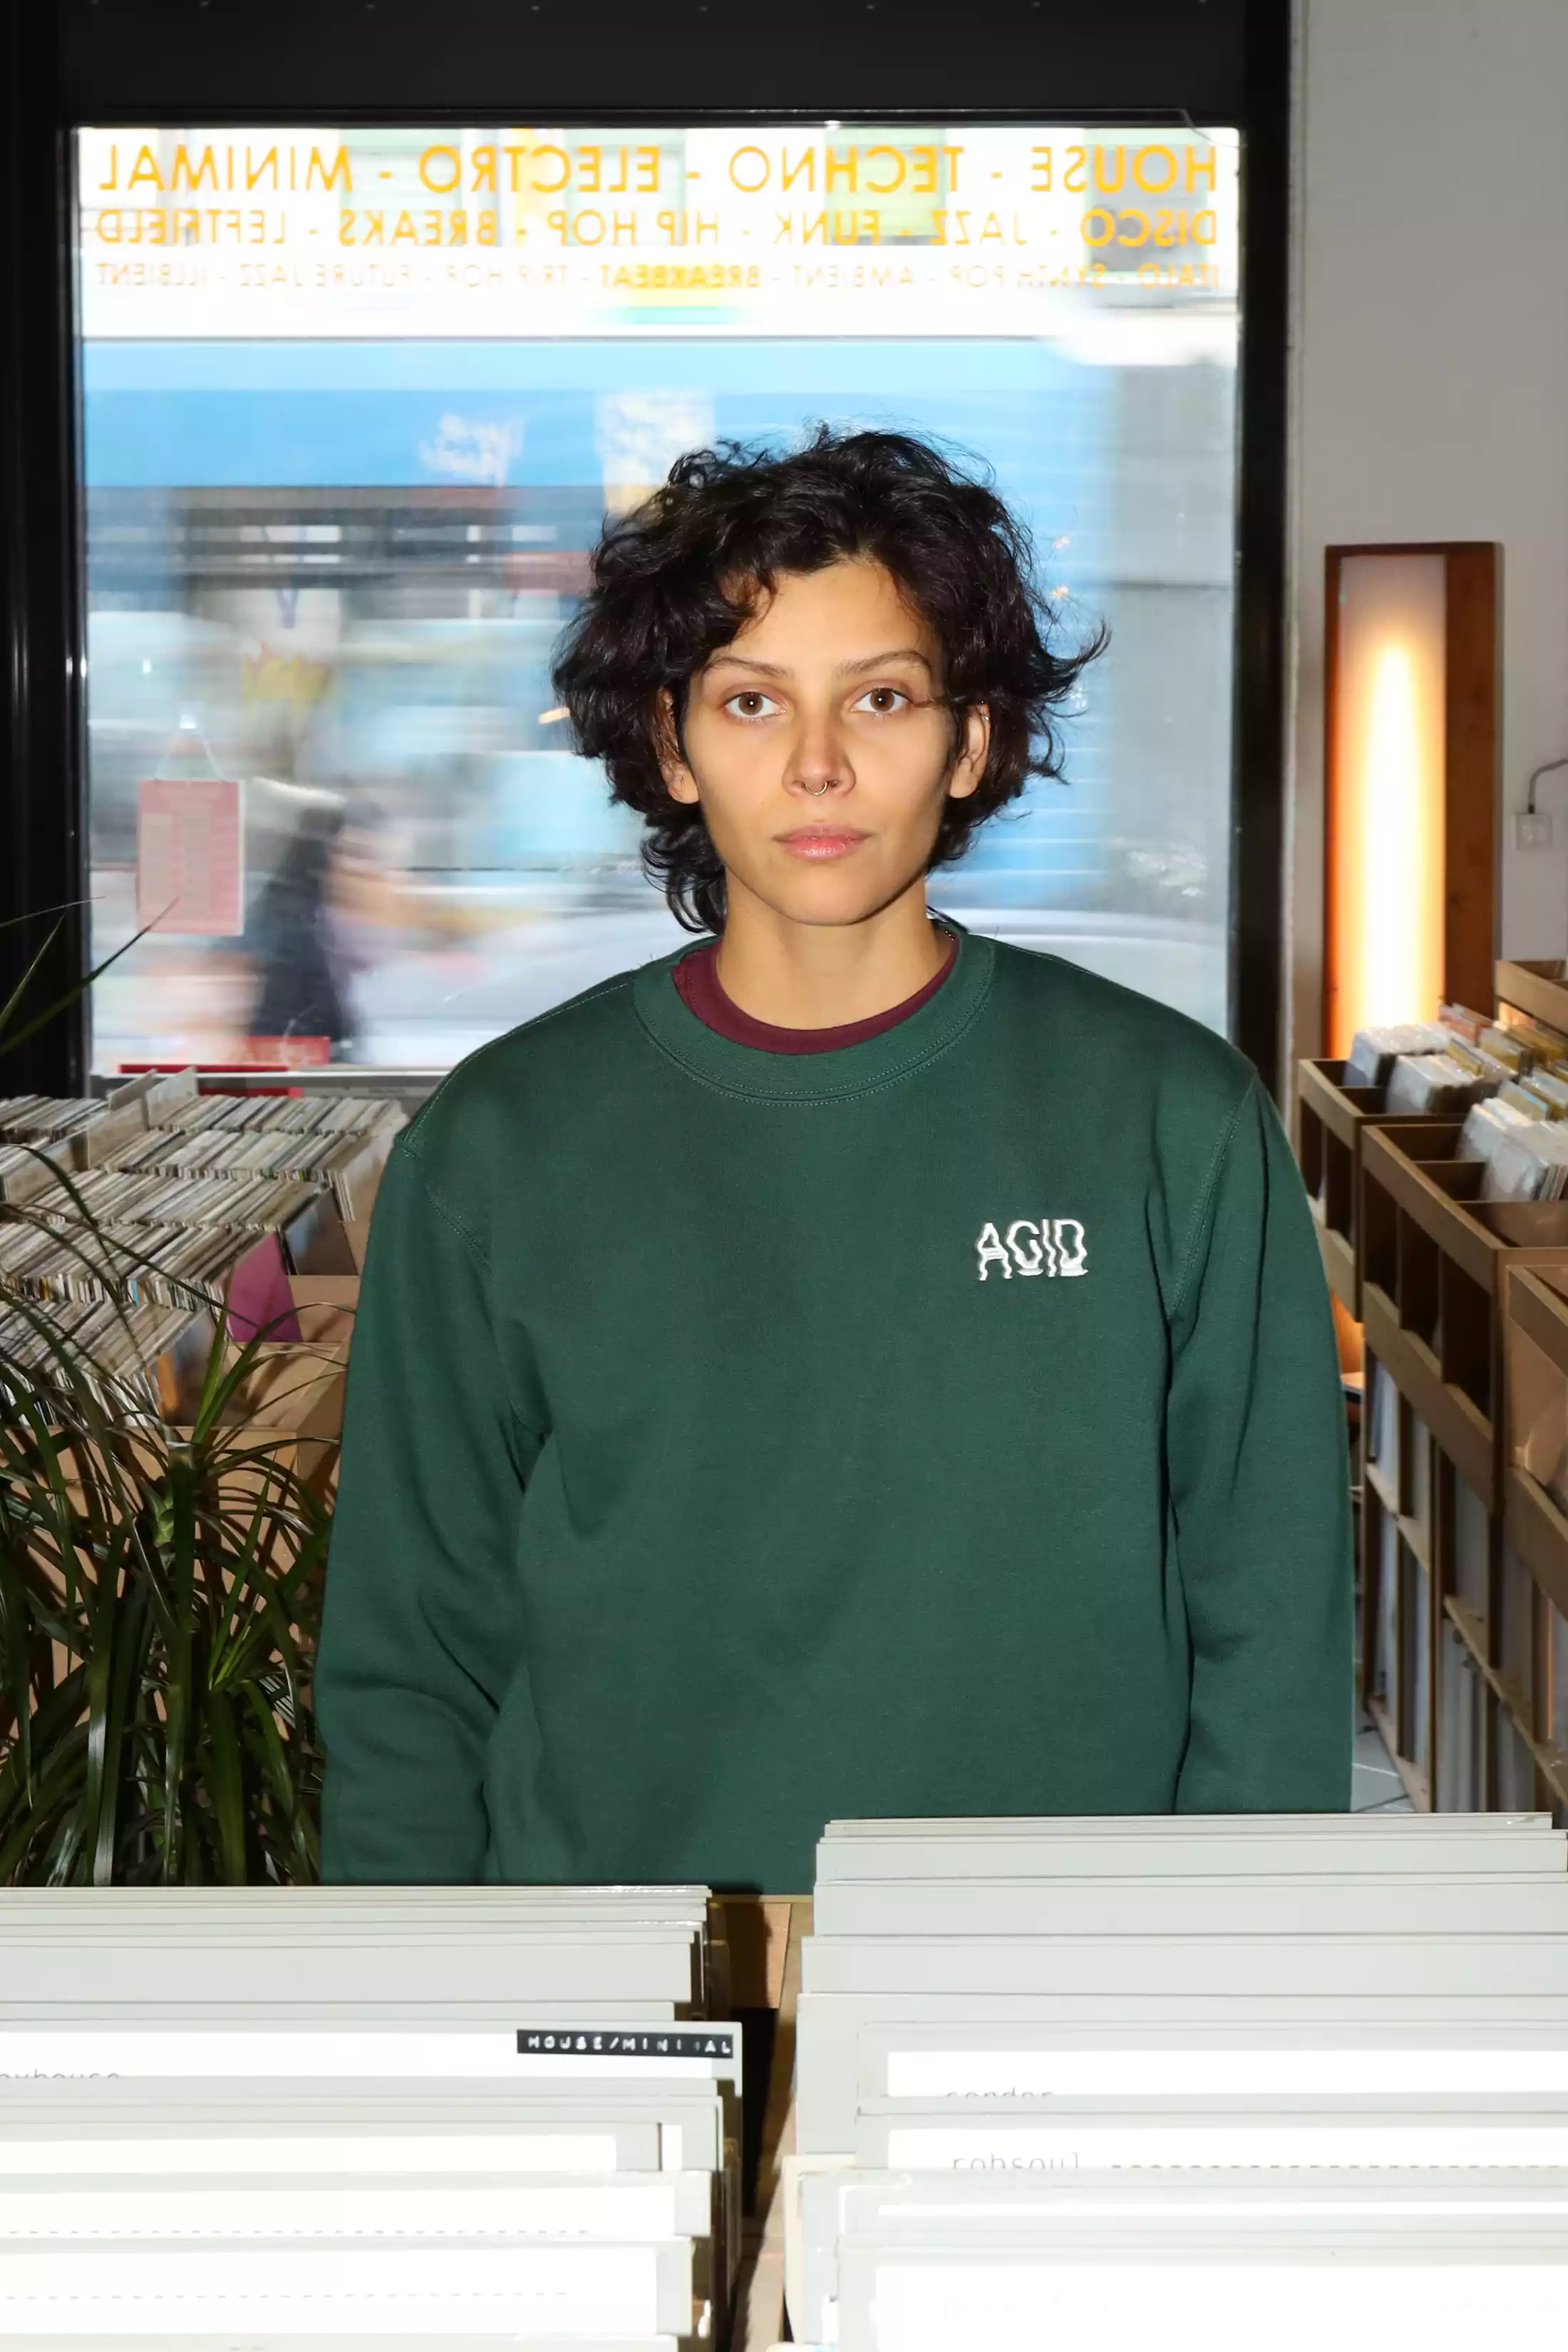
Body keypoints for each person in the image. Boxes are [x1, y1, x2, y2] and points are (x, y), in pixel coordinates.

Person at [316, 427, 1352, 1892]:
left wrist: (1215, 1966)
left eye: (880, 697)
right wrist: (427, 1990)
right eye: (751, 702)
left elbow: (1273, 1625)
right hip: (620, 1972)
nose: (817, 764)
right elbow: (411, 1657)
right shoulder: (499, 1145)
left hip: (1057, 1966)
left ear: (969, 740)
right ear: (671, 745)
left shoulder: (1167, 1116)